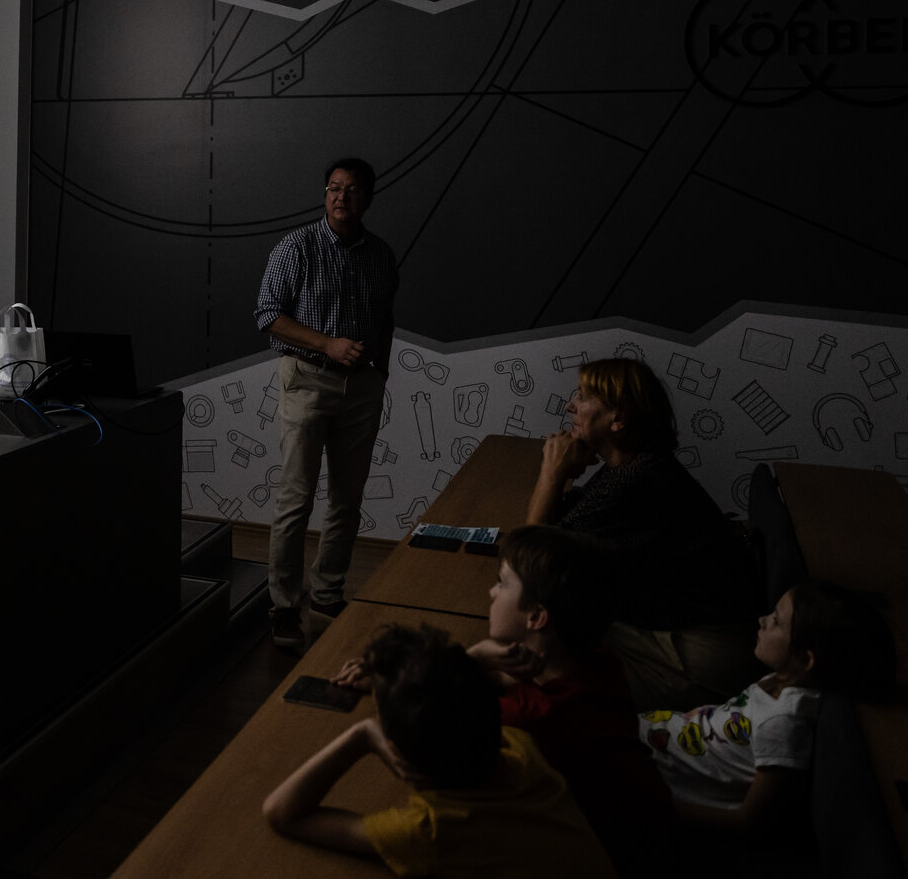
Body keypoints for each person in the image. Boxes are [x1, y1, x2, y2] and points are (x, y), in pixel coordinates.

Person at [335, 525, 673, 871]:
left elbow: (426, 715)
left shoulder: (528, 719)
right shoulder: (596, 658)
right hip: (651, 830)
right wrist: (466, 664)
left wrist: (470, 658)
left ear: (536, 617)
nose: (491, 591)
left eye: (502, 583)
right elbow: (496, 680)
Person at [262, 623, 617, 878]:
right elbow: (458, 695)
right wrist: (466, 661)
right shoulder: (519, 748)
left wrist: (362, 734)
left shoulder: (430, 831)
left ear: (397, 753)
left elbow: (283, 812)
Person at [526, 357, 760, 710]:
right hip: (693, 634)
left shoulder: (634, 481)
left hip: (702, 663)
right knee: (554, 619)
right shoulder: (634, 463)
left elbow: (527, 557)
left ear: (618, 420)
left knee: (542, 644)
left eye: (584, 397)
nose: (570, 405)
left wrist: (552, 471)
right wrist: (563, 475)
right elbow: (563, 521)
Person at [254, 156, 398, 650]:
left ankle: (328, 594)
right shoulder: (296, 246)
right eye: (334, 188)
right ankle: (283, 606)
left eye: (351, 189)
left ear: (367, 199)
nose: (341, 196)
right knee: (296, 498)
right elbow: (268, 315)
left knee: (347, 498)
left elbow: (385, 318)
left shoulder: (381, 255)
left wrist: (380, 371)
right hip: (307, 380)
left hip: (362, 387)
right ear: (325, 194)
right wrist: (328, 344)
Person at [641, 579, 895, 836]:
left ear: (805, 659)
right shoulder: (780, 679)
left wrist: (659, 809)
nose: (762, 620)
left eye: (776, 621)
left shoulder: (781, 723)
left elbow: (750, 820)